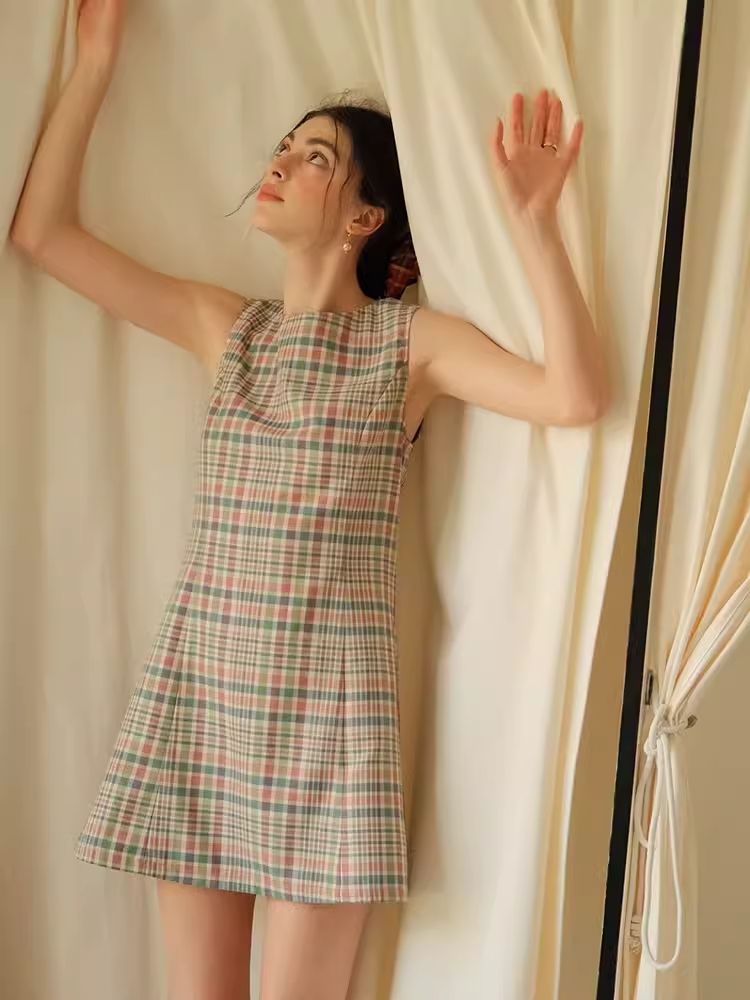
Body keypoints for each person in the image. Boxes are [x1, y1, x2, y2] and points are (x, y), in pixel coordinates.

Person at [9, 2, 609, 998]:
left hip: (332, 723)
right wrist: (96, 62)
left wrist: (538, 225)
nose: (281, 164)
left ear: (366, 217)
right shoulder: (228, 329)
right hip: (205, 697)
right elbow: (42, 235)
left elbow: (574, 397)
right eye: (284, 148)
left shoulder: (407, 346)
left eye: (316, 157)